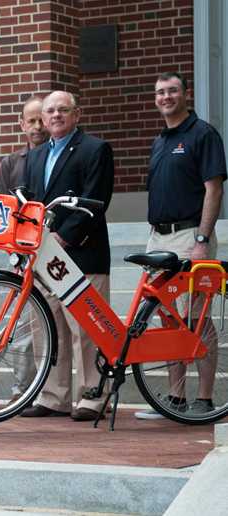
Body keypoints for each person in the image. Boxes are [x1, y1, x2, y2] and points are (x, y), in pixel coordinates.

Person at [135, 72, 226, 419]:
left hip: (190, 236)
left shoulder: (203, 134)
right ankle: (174, 399)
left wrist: (202, 240)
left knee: (196, 317)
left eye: (173, 90)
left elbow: (213, 189)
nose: (166, 96)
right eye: (160, 92)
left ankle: (203, 400)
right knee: (168, 317)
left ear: (185, 94)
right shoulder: (160, 140)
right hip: (158, 238)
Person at [20, 91, 115, 422]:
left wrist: (62, 237)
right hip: (43, 257)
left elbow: (96, 200)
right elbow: (29, 204)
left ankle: (91, 396)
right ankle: (53, 395)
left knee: (86, 330)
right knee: (48, 327)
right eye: (50, 111)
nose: (56, 115)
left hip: (82, 254)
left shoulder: (95, 149)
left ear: (77, 114)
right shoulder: (34, 157)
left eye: (63, 109)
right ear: (43, 119)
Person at [0, 97, 48, 402]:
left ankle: (53, 393)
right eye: (30, 121)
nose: (37, 127)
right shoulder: (10, 163)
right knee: (24, 330)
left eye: (40, 119)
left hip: (56, 252)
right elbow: (2, 210)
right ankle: (22, 391)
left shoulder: (58, 158)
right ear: (21, 124)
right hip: (22, 254)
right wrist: (11, 250)